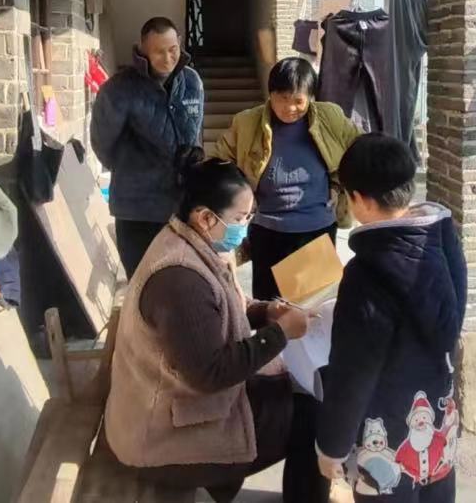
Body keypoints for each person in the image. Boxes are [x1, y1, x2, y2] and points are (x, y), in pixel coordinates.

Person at [103, 156, 330, 503]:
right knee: (314, 418)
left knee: (293, 392)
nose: (246, 227)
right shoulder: (180, 279)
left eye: (249, 217)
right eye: (240, 218)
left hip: (174, 406)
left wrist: (266, 312)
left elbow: (224, 307)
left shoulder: (189, 243)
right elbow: (210, 374)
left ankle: (233, 483)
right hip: (162, 437)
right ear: (206, 217)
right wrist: (281, 333)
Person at [315, 134, 467, 502]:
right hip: (438, 415)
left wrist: (331, 447)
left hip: (386, 429)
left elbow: (353, 373)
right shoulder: (444, 242)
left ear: (359, 198)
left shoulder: (366, 274)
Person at [215, 57, 361, 300]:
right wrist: (242, 196)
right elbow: (220, 162)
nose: (290, 108)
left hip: (316, 228)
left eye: (298, 101)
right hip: (268, 230)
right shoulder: (246, 123)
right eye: (282, 98)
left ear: (311, 97)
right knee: (270, 308)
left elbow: (359, 151)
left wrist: (337, 186)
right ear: (270, 94)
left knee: (313, 308)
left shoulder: (330, 118)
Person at [90, 16, 204, 278]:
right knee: (142, 281)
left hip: (182, 206)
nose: (168, 58)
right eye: (159, 52)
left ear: (180, 43)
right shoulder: (119, 89)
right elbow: (103, 143)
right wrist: (133, 167)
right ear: (143, 51)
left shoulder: (192, 82)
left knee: (181, 282)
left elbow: (197, 131)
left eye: (173, 49)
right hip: (137, 209)